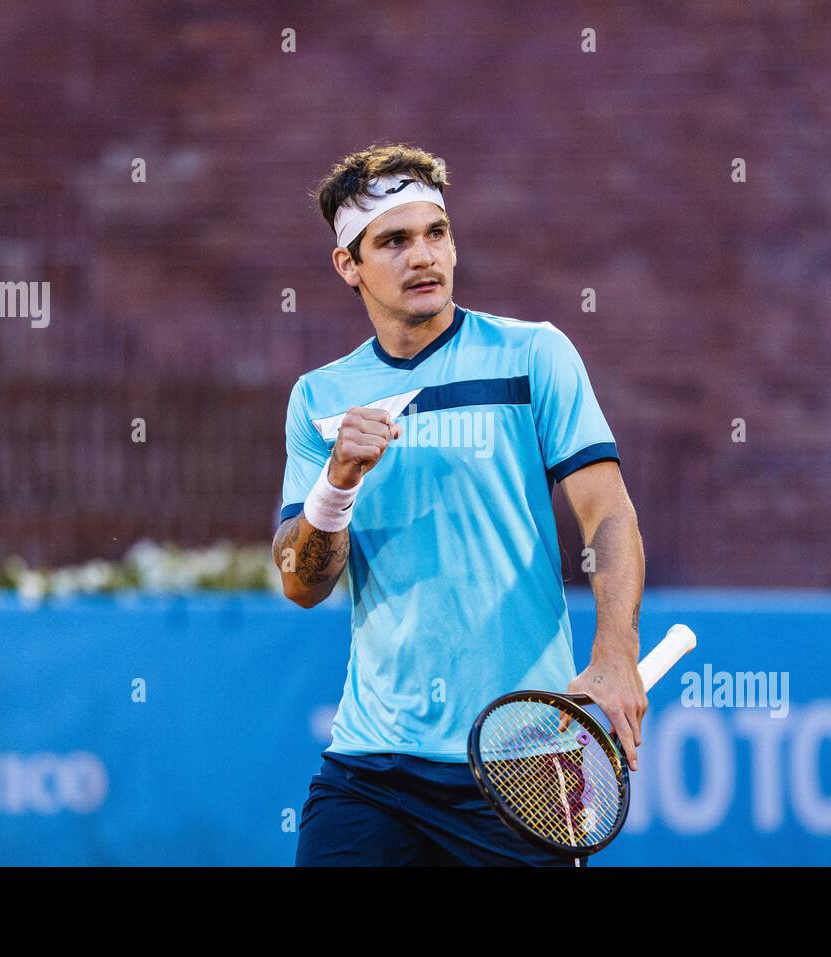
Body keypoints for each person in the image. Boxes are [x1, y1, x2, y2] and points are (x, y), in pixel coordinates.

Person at [273, 143, 647, 865]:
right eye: (394, 241)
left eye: (435, 234)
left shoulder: (534, 355)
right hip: (373, 763)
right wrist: (338, 481)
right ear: (348, 265)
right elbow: (301, 583)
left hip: (522, 760)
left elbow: (607, 511)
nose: (423, 257)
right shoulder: (320, 399)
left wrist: (614, 651)